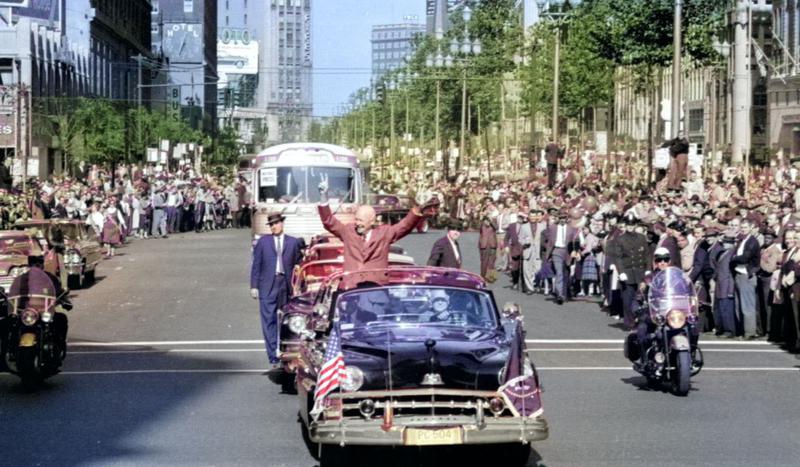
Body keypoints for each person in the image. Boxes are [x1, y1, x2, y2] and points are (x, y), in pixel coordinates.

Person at [317, 181, 437, 275]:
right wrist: (323, 196)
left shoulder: (383, 233)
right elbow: (329, 221)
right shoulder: (348, 231)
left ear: (372, 221)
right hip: (350, 290)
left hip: (375, 291)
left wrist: (417, 210)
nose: (357, 223)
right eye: (356, 219)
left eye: (361, 220)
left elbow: (404, 226)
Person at [250, 212, 304, 368]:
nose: (274, 226)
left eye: (276, 223)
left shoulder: (293, 242)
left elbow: (299, 265)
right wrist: (254, 286)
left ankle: (287, 351)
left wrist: (299, 285)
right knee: (269, 321)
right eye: (271, 224)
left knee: (287, 320)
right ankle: (273, 354)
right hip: (267, 285)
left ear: (282, 224)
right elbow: (256, 265)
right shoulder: (263, 242)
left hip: (286, 285)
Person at [609, 215, 651, 327]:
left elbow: (647, 254)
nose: (630, 227)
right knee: (628, 299)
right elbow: (618, 257)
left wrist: (648, 269)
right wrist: (621, 272)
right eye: (628, 225)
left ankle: (642, 320)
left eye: (632, 225)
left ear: (635, 225)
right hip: (628, 271)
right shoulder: (620, 239)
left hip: (640, 271)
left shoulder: (641, 237)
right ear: (625, 226)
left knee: (642, 298)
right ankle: (629, 322)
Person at [731, 218, 761, 339]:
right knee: (739, 305)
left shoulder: (752, 241)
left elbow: (744, 258)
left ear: (751, 228)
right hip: (739, 273)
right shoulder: (741, 240)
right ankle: (743, 331)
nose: (743, 230)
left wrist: (734, 258)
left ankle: (750, 332)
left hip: (746, 274)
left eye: (745, 228)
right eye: (742, 228)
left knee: (747, 305)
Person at [544, 211, 578, 305]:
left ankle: (565, 292)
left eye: (564, 217)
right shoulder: (552, 228)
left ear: (567, 218)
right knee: (559, 272)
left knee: (566, 273)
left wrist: (575, 251)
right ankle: (560, 295)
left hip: (568, 252)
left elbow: (576, 241)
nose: (562, 219)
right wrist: (548, 251)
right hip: (556, 251)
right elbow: (545, 238)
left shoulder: (572, 228)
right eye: (561, 217)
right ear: (558, 218)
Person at [478, 210, 498, 281]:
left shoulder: (493, 224)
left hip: (492, 245)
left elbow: (496, 227)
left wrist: (491, 220)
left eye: (488, 221)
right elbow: (478, 227)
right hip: (484, 245)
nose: (487, 222)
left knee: (492, 261)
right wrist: (481, 218)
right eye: (486, 221)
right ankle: (482, 276)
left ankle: (491, 277)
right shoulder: (482, 225)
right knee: (484, 261)